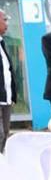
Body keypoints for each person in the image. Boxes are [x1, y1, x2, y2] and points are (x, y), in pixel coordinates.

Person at [0, 9, 16, 153]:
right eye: (4, 20)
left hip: (6, 98)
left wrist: (13, 95)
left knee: (5, 134)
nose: (7, 24)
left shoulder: (2, 43)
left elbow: (7, 71)